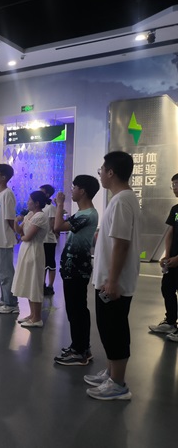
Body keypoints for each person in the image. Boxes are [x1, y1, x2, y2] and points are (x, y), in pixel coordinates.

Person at [84, 151, 141, 401]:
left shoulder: (121, 201)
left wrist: (113, 280)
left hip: (114, 282)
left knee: (114, 330)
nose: (100, 174)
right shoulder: (122, 199)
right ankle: (111, 373)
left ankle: (118, 384)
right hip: (110, 279)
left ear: (110, 172)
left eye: (102, 170)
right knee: (108, 329)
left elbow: (121, 244)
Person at [52, 175, 100, 366]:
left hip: (77, 268)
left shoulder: (87, 214)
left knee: (76, 309)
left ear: (83, 191)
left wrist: (59, 205)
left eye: (74, 187)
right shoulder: (83, 213)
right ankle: (80, 347)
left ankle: (80, 351)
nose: (71, 190)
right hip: (73, 268)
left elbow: (57, 227)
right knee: (76, 309)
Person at [12, 190, 50, 327]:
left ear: (37, 203)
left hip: (34, 251)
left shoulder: (40, 216)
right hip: (26, 250)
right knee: (28, 282)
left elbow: (27, 237)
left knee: (34, 283)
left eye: (30, 200)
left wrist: (21, 238)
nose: (27, 202)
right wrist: (16, 222)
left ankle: (37, 318)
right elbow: (20, 231)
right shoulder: (29, 214)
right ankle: (32, 315)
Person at [149, 173, 178, 342]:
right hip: (172, 261)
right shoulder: (175, 209)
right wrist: (167, 256)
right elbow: (170, 233)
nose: (174, 188)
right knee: (167, 288)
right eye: (172, 185)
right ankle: (170, 322)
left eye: (176, 184)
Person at [0, 164, 19, 314]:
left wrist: (17, 233)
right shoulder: (0, 194)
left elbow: (10, 219)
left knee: (6, 272)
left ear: (4, 177)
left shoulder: (8, 194)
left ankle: (11, 303)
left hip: (4, 239)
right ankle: (4, 298)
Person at [40, 184, 57, 296]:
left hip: (49, 240)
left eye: (42, 191)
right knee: (42, 263)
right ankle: (42, 284)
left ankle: (50, 286)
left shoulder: (50, 207)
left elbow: (52, 223)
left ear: (47, 194)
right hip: (41, 240)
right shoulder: (41, 206)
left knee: (50, 264)